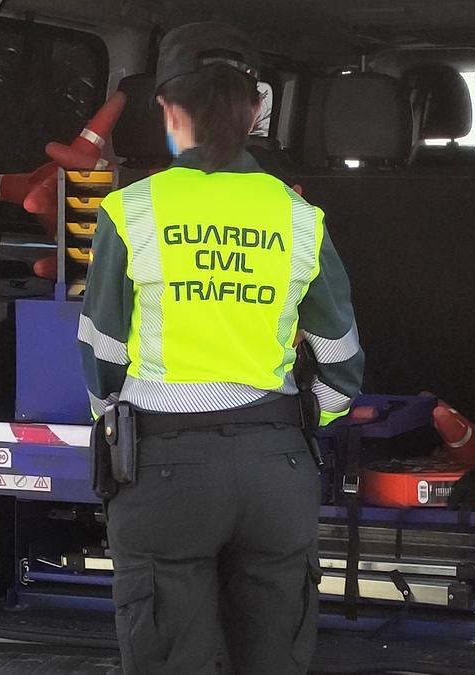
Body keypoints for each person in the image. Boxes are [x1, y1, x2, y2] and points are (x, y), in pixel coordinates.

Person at [77, 22, 363, 675]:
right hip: (277, 468)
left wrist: (114, 424)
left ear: (167, 108)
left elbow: (100, 355)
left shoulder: (131, 210)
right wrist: (304, 421)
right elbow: (343, 361)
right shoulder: (298, 216)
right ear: (256, 107)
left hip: (162, 467)